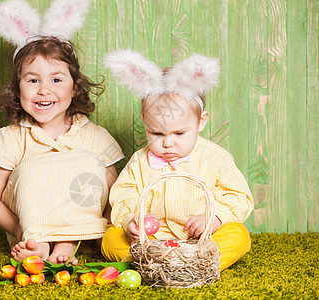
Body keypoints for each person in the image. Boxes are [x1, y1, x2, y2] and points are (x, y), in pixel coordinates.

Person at [0, 1, 123, 265]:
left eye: (56, 80)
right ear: (17, 88)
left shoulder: (95, 136)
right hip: (30, 231)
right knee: (34, 167)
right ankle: (41, 244)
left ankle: (69, 241)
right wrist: (21, 231)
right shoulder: (10, 138)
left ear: (74, 88)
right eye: (33, 80)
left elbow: (112, 194)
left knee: (89, 164)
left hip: (84, 229)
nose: (44, 90)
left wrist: (109, 232)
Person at [101, 50, 254, 272]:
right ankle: (154, 264)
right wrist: (131, 221)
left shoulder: (216, 157)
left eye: (179, 133)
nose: (167, 143)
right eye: (156, 134)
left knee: (239, 235)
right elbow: (123, 194)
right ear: (144, 123)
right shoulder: (140, 160)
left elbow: (239, 195)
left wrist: (214, 219)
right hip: (152, 242)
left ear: (201, 121)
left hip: (201, 241)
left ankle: (200, 263)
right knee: (111, 238)